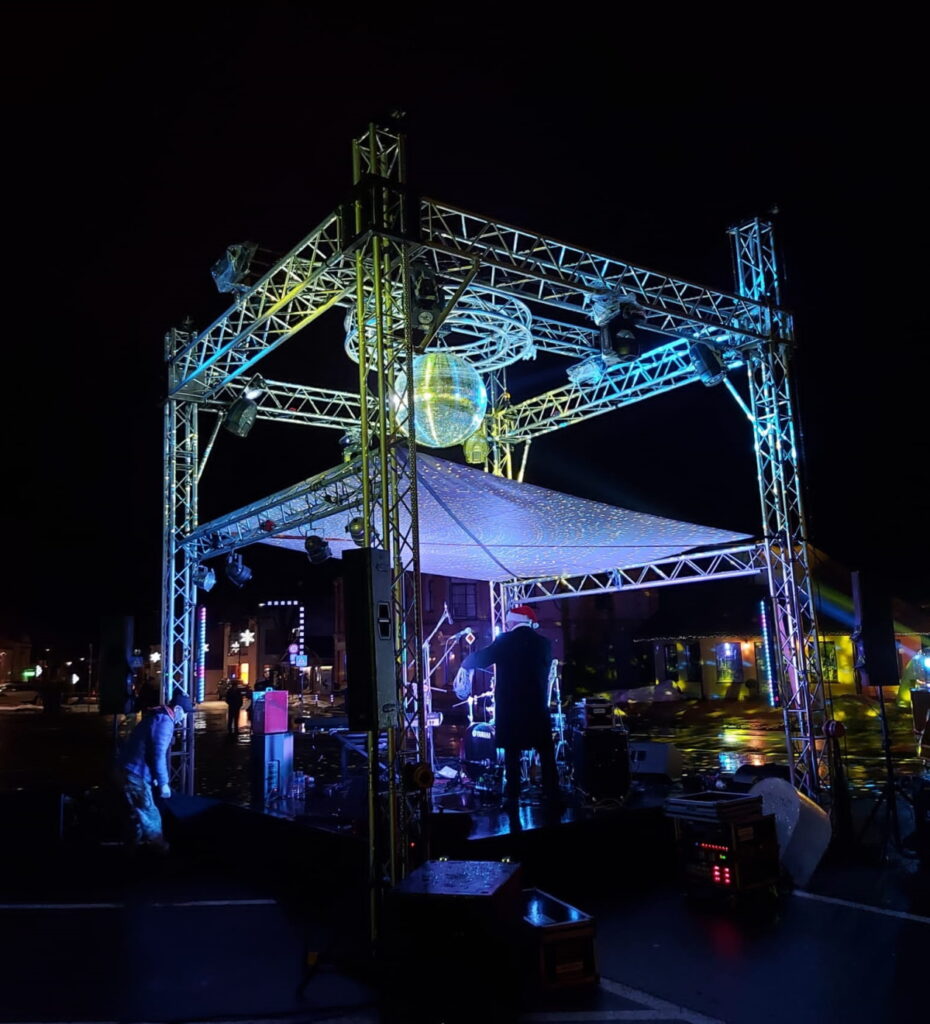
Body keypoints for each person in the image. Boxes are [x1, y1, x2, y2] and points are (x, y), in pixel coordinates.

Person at [462, 604, 561, 811]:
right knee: (546, 752)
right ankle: (552, 794)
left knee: (512, 754)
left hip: (511, 708)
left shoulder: (505, 641)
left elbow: (482, 659)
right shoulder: (543, 644)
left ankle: (513, 797)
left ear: (513, 621)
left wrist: (465, 662)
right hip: (536, 707)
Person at [116, 688, 193, 853]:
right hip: (136, 774)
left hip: (127, 770)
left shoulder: (156, 716)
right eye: (185, 713)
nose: (184, 717)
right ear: (177, 709)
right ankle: (161, 851)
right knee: (151, 816)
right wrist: (164, 783)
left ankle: (130, 852)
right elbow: (158, 756)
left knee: (135, 816)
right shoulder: (165, 722)